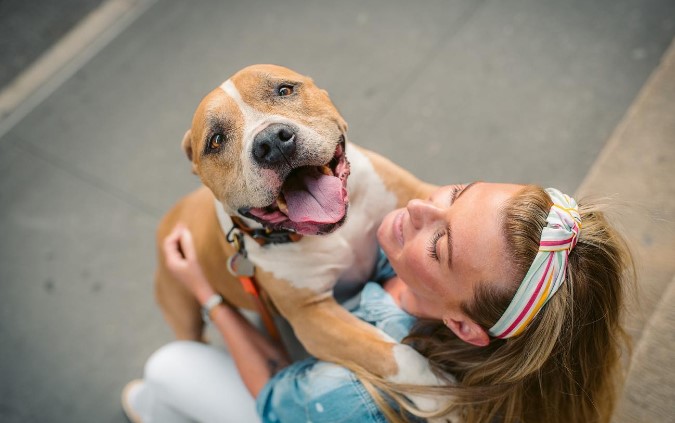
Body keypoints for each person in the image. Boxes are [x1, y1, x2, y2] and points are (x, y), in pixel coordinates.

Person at [121, 182, 634, 423]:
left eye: (439, 244)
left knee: (168, 367)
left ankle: (158, 411)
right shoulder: (496, 282)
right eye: (456, 193)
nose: (416, 206)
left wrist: (211, 297)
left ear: (464, 327)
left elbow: (275, 394)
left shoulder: (360, 399)